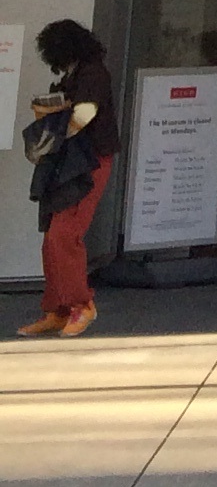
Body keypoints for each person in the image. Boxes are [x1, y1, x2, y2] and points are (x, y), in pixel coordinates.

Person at [18, 19, 119, 338]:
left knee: (64, 233)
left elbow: (85, 113)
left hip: (89, 161)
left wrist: (53, 136)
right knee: (53, 235)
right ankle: (58, 309)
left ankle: (80, 305)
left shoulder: (92, 73)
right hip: (72, 161)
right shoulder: (78, 73)